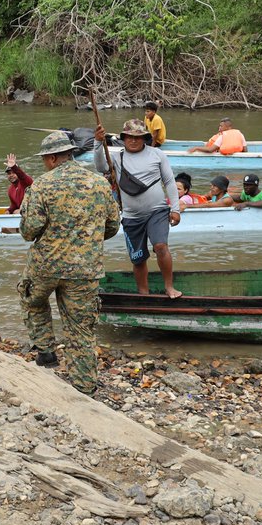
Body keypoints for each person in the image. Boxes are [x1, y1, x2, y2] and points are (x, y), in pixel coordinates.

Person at [18, 131, 120, 394]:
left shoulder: (41, 186)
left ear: (52, 158)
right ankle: (85, 386)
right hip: (86, 268)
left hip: (46, 266)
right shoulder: (99, 184)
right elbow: (112, 226)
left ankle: (46, 351)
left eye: (44, 159)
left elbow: (30, 230)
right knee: (80, 327)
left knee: (33, 300)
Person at [94, 119, 182, 298]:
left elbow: (169, 182)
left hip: (157, 211)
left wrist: (176, 208)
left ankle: (169, 287)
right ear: (124, 138)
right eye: (129, 137)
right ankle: (144, 293)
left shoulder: (157, 154)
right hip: (131, 216)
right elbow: (100, 167)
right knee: (138, 258)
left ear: (145, 138)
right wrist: (97, 142)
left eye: (138, 137)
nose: (133, 141)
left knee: (160, 246)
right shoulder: (117, 158)